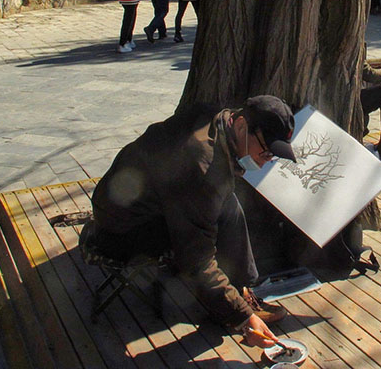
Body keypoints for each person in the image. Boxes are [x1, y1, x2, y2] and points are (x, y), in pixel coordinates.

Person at [90, 95, 297, 348]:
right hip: (123, 232)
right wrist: (244, 319)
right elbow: (196, 259)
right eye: (265, 152)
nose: (266, 162)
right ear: (242, 126)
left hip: (122, 201)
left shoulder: (219, 120)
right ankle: (233, 308)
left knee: (227, 204)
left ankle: (239, 291)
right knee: (206, 228)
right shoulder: (202, 167)